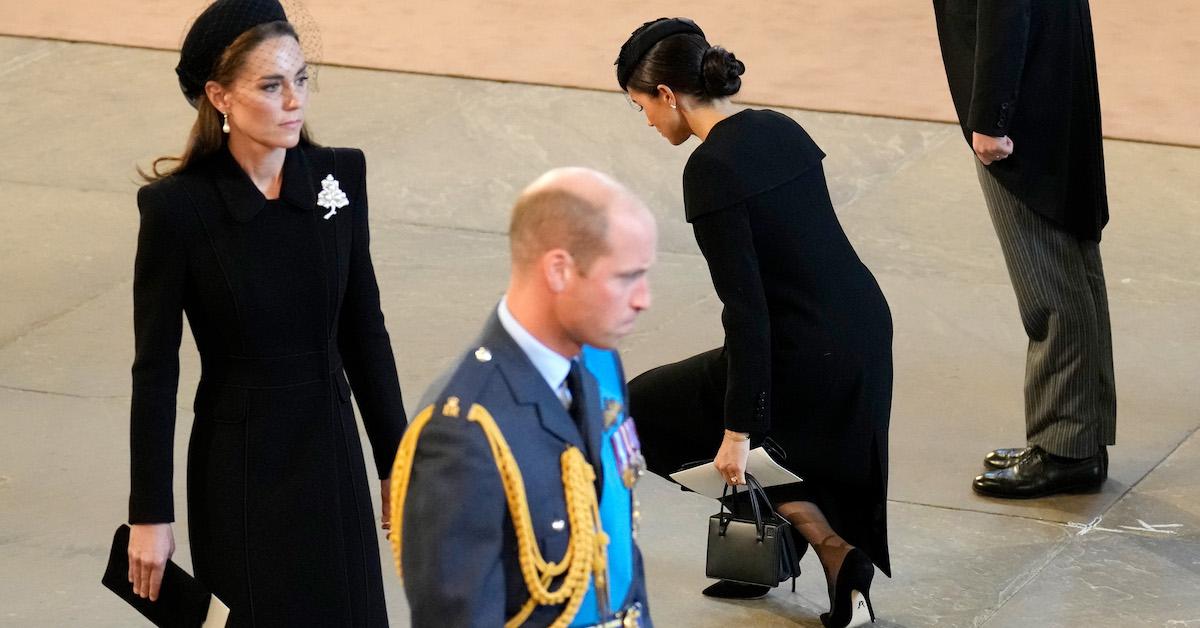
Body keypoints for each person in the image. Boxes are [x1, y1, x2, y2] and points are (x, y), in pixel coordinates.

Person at [124, 1, 407, 624]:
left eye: (300, 80)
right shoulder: (177, 211)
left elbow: (365, 331)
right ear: (220, 96)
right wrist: (150, 513)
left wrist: (397, 463)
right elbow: (155, 368)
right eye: (271, 85)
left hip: (332, 456)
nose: (294, 101)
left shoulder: (340, 178)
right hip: (240, 469)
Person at [614, 17, 892, 627]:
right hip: (863, 326)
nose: (648, 123)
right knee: (769, 442)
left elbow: (747, 311)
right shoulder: (778, 127)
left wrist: (740, 428)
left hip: (800, 344)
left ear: (668, 95)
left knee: (637, 414)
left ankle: (831, 547)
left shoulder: (710, 169)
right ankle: (783, 540)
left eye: (641, 107)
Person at [390, 168, 656, 627]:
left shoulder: (598, 364)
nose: (643, 299)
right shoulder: (463, 432)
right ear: (558, 270)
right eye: (626, 277)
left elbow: (616, 554)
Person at [933, 0, 1115, 498]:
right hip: (1049, 81)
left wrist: (992, 114)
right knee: (1069, 264)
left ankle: (1066, 453)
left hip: (1023, 103)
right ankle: (1075, 436)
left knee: (1049, 279)